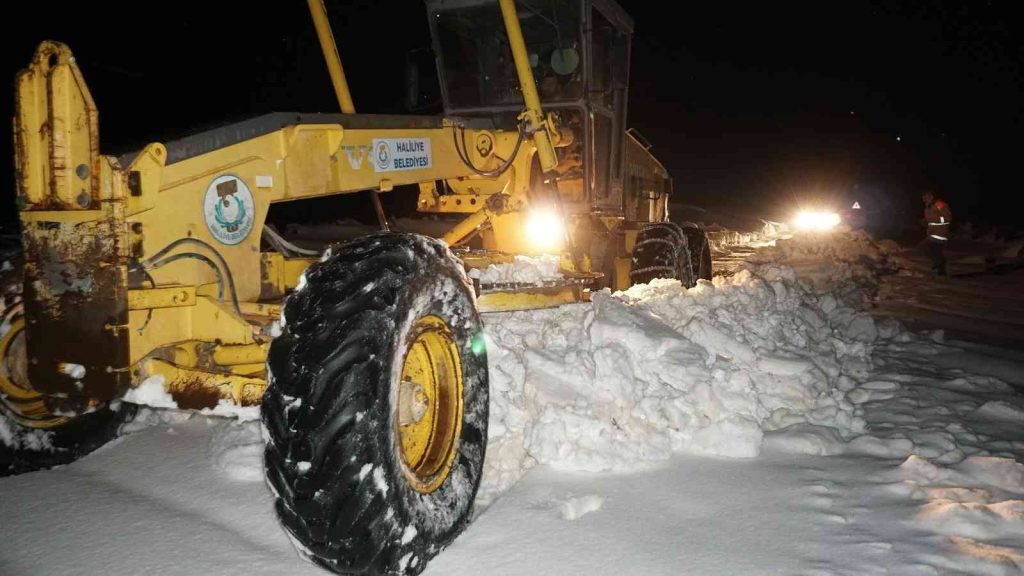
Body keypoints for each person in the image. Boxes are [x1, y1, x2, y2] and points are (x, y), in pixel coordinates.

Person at [922, 191, 952, 276]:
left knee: (935, 251)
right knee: (925, 249)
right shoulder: (927, 207)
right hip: (932, 232)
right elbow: (930, 220)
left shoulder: (939, 204)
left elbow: (947, 217)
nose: (924, 199)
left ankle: (941, 269)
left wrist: (933, 219)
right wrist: (924, 222)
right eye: (923, 197)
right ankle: (938, 263)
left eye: (926, 197)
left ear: (931, 197)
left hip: (940, 232)